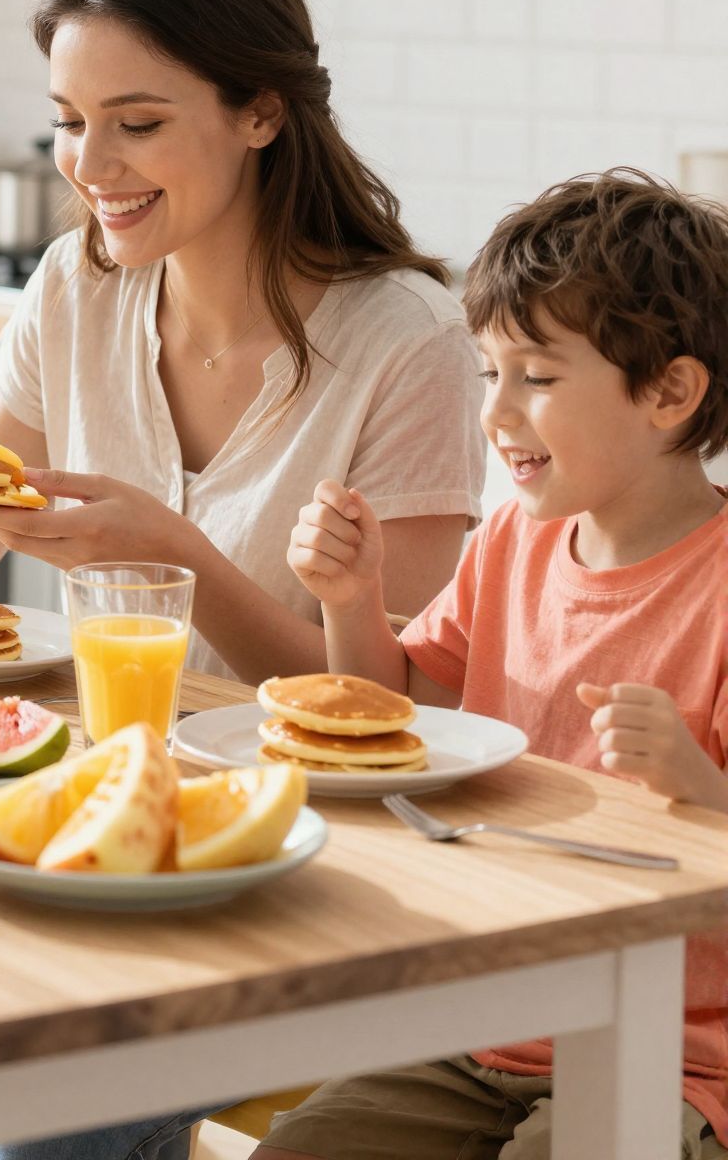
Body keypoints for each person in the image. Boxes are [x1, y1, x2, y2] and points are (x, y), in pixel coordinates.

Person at [0, 0, 485, 685]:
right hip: (109, 761)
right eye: (68, 121)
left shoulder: (410, 344)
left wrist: (171, 556)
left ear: (260, 113)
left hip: (302, 797)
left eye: (137, 123)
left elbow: (393, 695)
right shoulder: (76, 285)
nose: (90, 164)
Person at [268, 170, 728, 1160]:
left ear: (669, 391)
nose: (496, 413)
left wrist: (700, 786)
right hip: (470, 1025)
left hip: (669, 1051)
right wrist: (352, 602)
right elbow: (393, 712)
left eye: (537, 377)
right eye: (489, 375)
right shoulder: (508, 547)